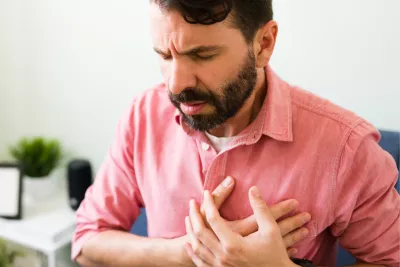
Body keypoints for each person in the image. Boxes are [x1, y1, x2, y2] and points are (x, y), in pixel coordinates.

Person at [71, 1, 400, 267]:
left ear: (264, 44)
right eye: (164, 56)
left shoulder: (346, 148)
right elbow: (87, 241)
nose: (176, 83)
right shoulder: (143, 116)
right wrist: (189, 252)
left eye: (202, 55)